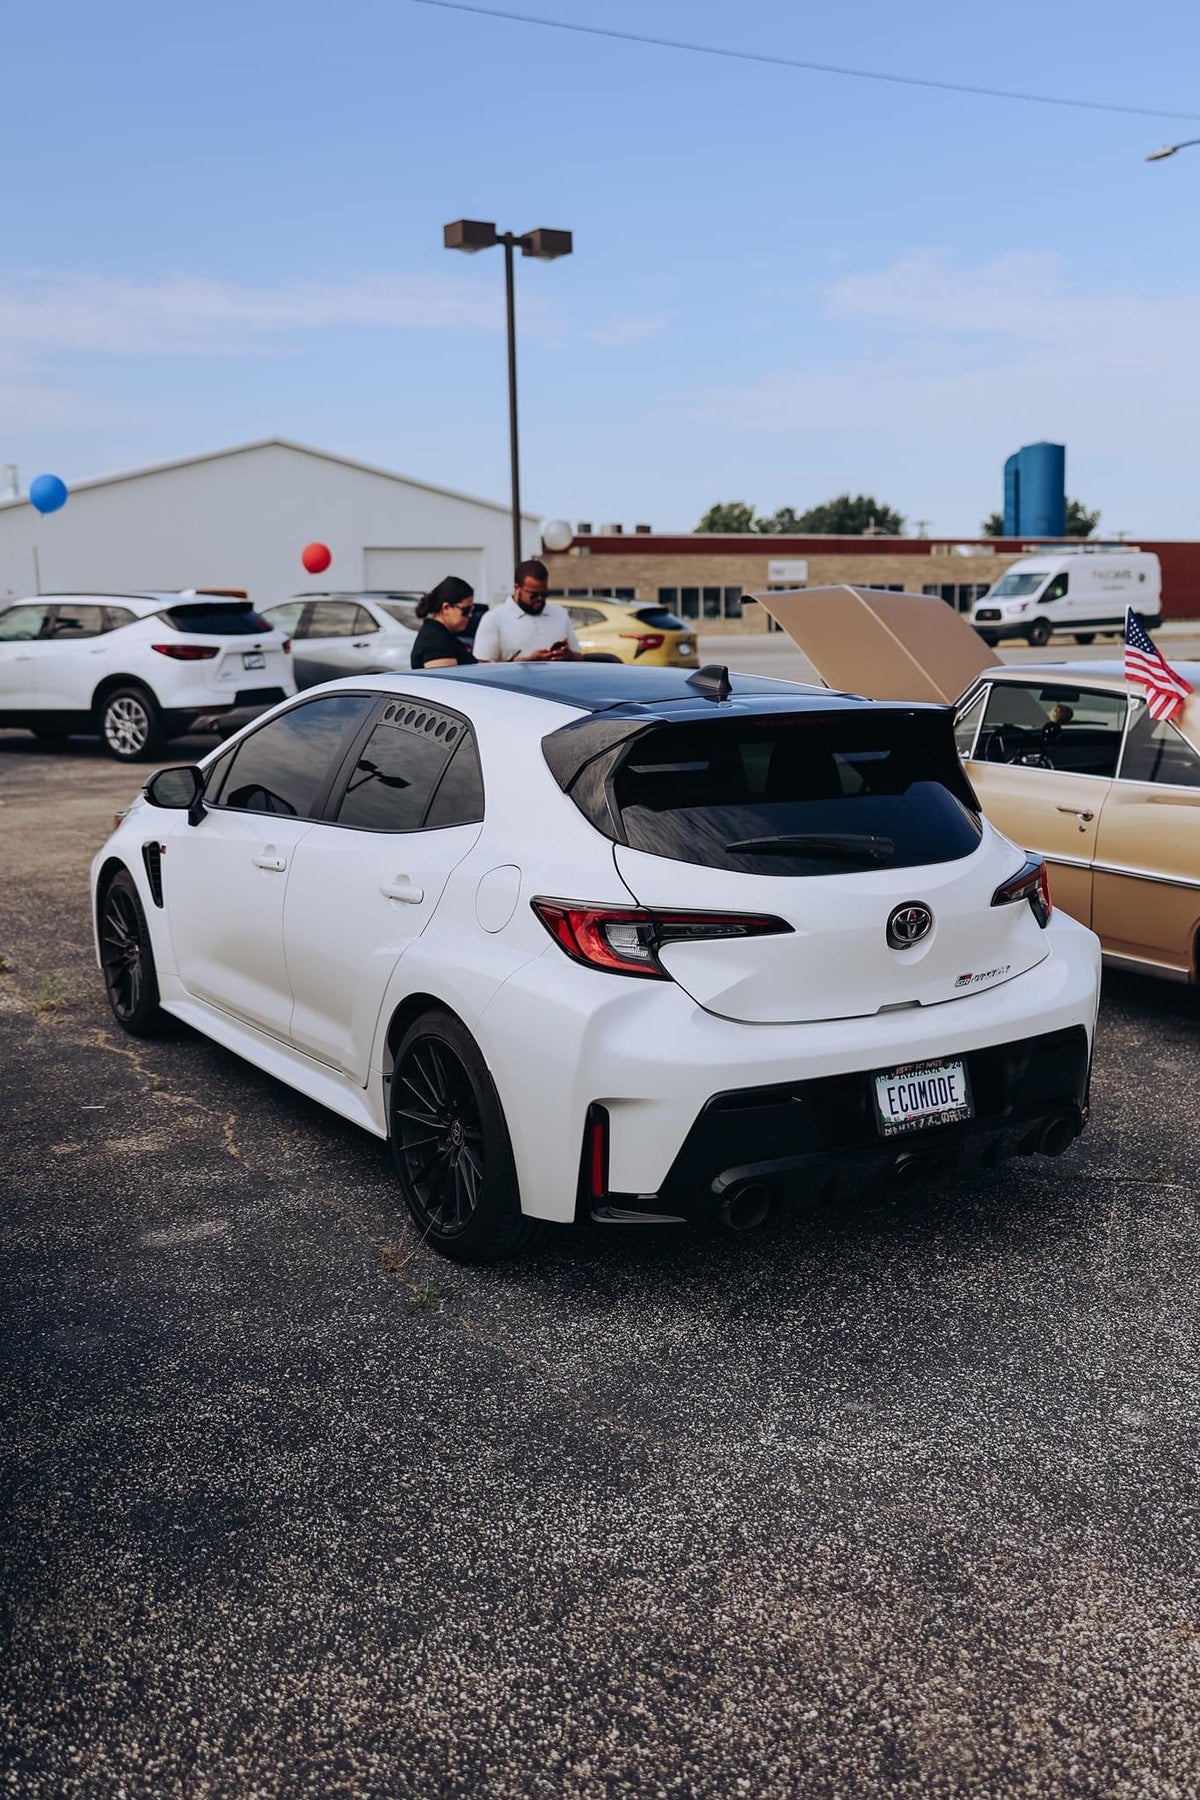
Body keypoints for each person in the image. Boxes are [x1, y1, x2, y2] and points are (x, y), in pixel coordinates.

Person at [471, 559, 582, 663]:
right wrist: (528, 661)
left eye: (544, 594)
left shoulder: (560, 614)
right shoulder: (493, 619)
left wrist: (568, 655)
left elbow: (579, 658)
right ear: (517, 588)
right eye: (533, 595)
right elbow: (482, 666)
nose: (539, 599)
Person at [409, 576, 478, 670]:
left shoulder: (441, 635)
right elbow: (446, 681)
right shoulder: (435, 640)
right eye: (466, 610)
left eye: (471, 610)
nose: (470, 615)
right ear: (446, 608)